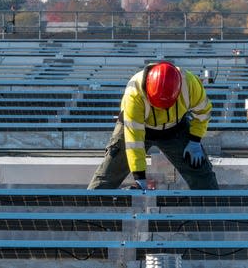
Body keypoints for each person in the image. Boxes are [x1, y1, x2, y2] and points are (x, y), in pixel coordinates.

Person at [87, 61, 219, 190]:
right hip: (139, 127)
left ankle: (214, 208)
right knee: (107, 176)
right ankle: (89, 207)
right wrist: (140, 177)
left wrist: (195, 140)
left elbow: (203, 112)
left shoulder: (190, 84)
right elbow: (134, 142)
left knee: (203, 176)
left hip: (175, 128)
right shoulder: (134, 94)